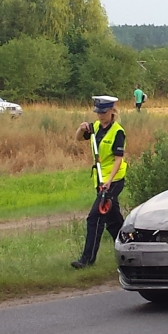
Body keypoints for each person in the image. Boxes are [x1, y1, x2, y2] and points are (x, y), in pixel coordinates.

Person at [71, 96, 127, 269]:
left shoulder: (118, 131)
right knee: (113, 220)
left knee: (94, 218)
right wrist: (81, 129)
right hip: (100, 180)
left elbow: (118, 159)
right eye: (98, 112)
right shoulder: (95, 127)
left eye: (103, 112)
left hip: (113, 180)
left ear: (112, 111)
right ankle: (130, 248)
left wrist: (109, 181)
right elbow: (78, 139)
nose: (100, 116)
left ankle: (87, 260)